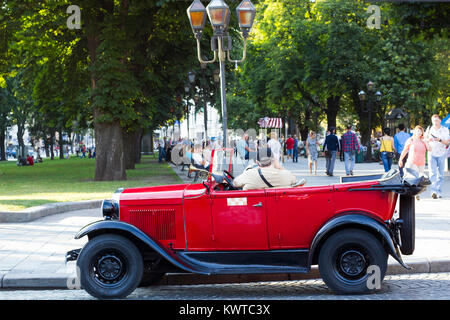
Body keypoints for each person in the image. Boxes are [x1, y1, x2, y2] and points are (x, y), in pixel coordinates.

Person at [233, 148, 304, 190]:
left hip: (254, 212)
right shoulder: (287, 175)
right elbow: (295, 181)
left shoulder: (248, 174)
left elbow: (235, 183)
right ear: (273, 160)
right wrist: (280, 167)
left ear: (257, 162)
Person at [425, 114, 450, 199]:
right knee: (432, 173)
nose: (434, 122)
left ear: (440, 120)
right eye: (433, 121)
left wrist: (439, 140)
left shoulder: (445, 130)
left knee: (441, 174)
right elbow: (425, 140)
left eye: (436, 120)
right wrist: (428, 141)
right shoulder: (429, 129)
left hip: (442, 153)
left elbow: (447, 142)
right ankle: (433, 191)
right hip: (431, 153)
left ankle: (439, 191)